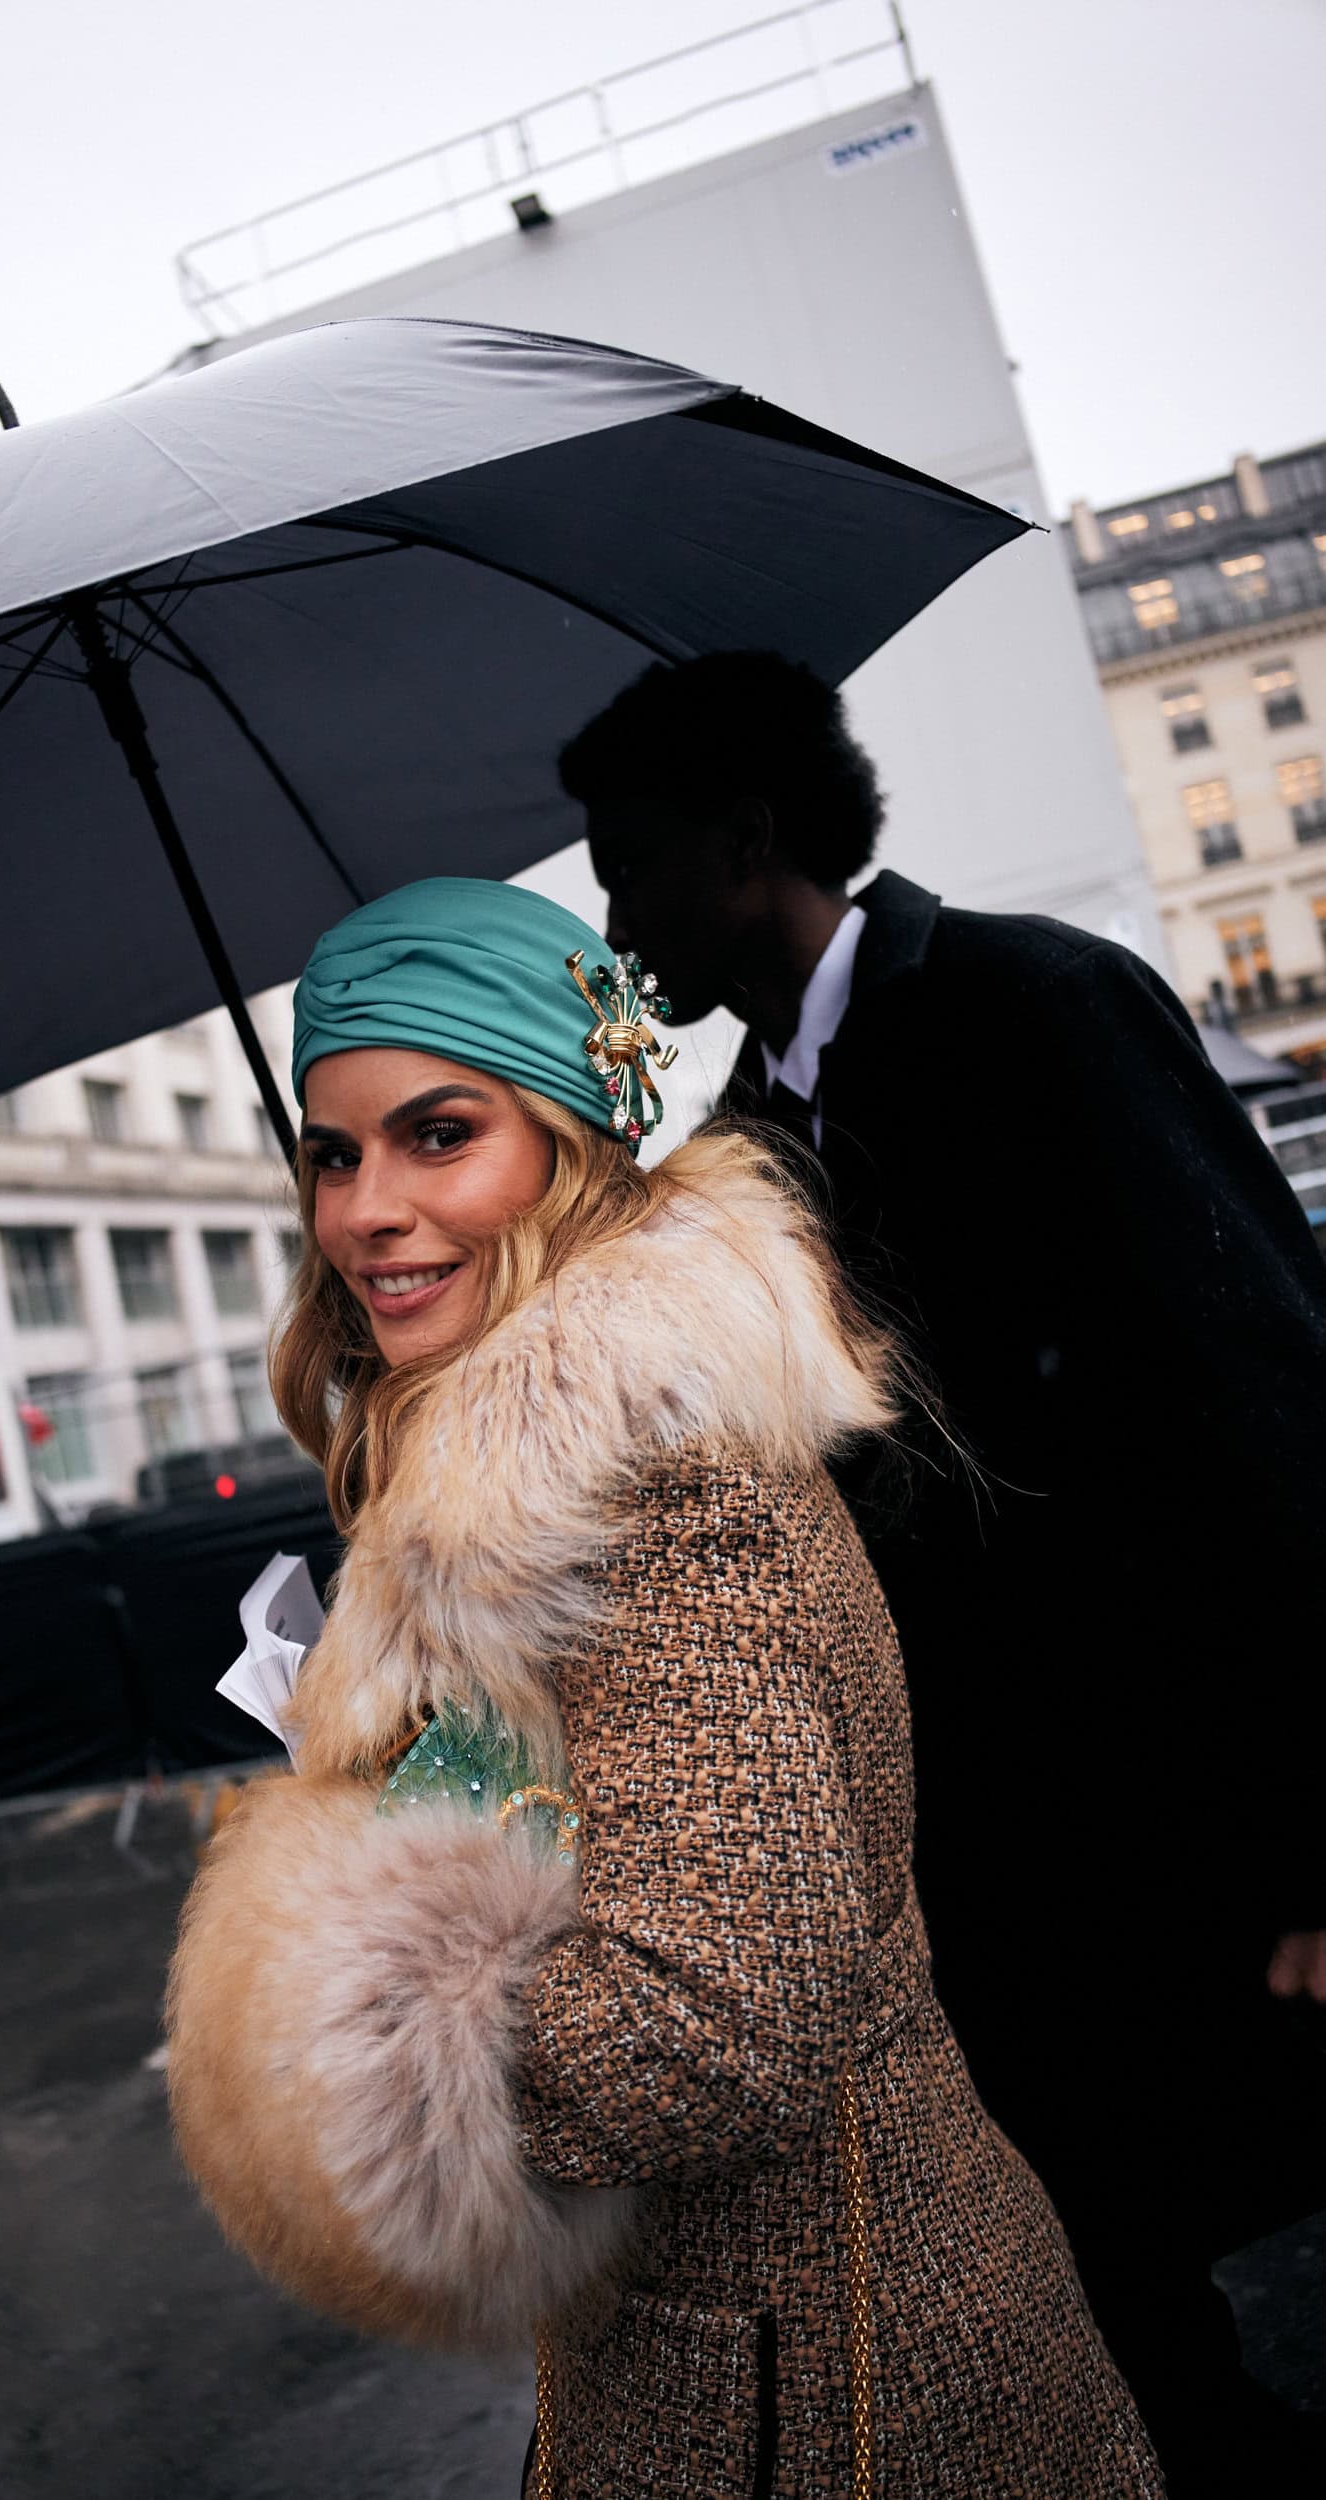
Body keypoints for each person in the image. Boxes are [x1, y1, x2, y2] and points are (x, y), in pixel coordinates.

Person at [166, 876, 1161, 2499]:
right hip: (731, 2349)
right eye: (331, 1154)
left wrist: (350, 2037)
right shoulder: (531, 1487)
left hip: (839, 2378)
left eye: (437, 1134)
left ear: (569, 1139)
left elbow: (710, 2021)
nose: (362, 1211)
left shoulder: (653, 1493)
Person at [558, 653, 1326, 2495]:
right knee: (1121, 2291)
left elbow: (1274, 1408)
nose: (611, 911)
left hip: (1199, 1815)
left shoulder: (1039, 1004)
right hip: (995, 1858)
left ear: (745, 846)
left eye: (628, 859)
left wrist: (1317, 1837)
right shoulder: (741, 1145)